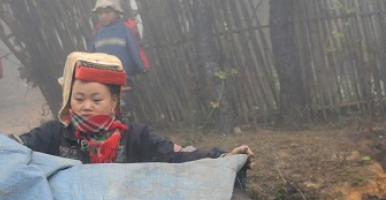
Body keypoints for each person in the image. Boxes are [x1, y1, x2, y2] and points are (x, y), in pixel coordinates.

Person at [16, 51, 253, 168]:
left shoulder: (136, 136)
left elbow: (177, 154)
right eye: (78, 98)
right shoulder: (53, 135)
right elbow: (16, 147)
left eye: (96, 100)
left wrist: (222, 157)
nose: (86, 106)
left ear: (114, 102)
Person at [89, 0, 147, 123]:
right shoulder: (97, 32)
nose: (103, 16)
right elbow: (91, 53)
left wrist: (140, 66)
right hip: (103, 78)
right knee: (107, 105)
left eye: (107, 12)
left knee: (124, 105)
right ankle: (112, 132)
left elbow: (133, 48)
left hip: (123, 76)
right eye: (100, 13)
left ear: (117, 13)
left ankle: (127, 129)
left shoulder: (125, 28)